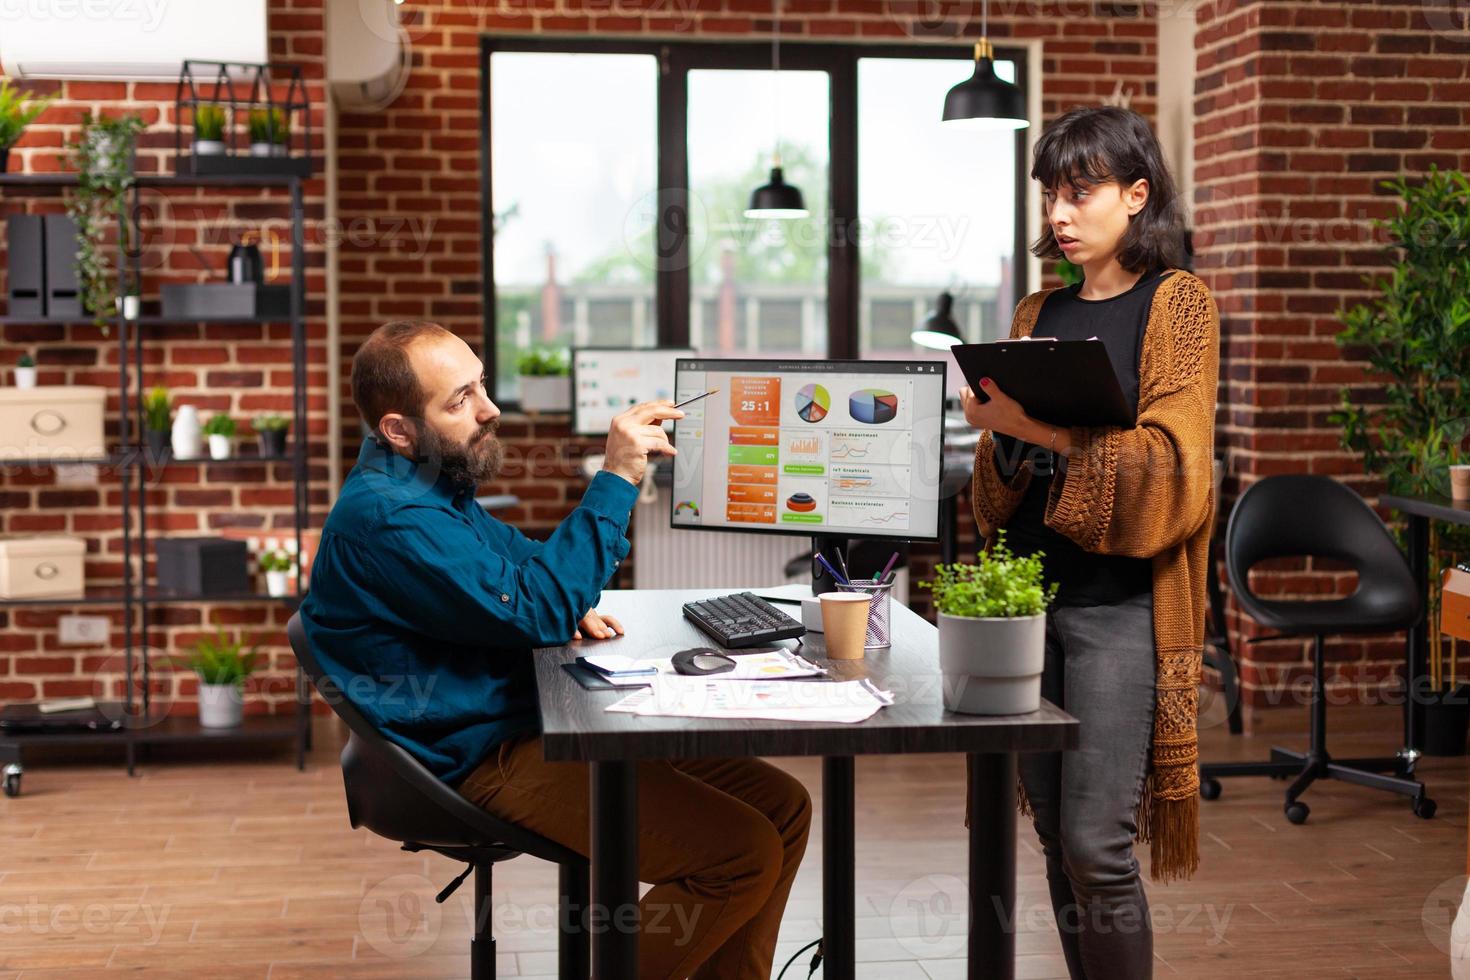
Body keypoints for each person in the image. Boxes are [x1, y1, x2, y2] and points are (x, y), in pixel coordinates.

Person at [300, 320, 811, 979]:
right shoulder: (391, 515)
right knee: (740, 854)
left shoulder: (429, 484)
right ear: (398, 429)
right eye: (459, 400)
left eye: (481, 382)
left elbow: (529, 573)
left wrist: (566, 596)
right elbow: (538, 607)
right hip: (484, 755)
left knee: (784, 808)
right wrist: (618, 475)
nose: (489, 409)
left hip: (528, 716)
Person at [961, 105, 1219, 979]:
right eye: (1050, 196)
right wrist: (999, 433)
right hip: (1026, 603)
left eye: (1080, 193)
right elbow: (996, 496)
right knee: (1049, 835)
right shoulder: (1040, 309)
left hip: (1123, 609)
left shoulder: (1177, 305)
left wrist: (1042, 427)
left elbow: (1178, 471)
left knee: (1096, 844)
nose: (1059, 214)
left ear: (1136, 195)